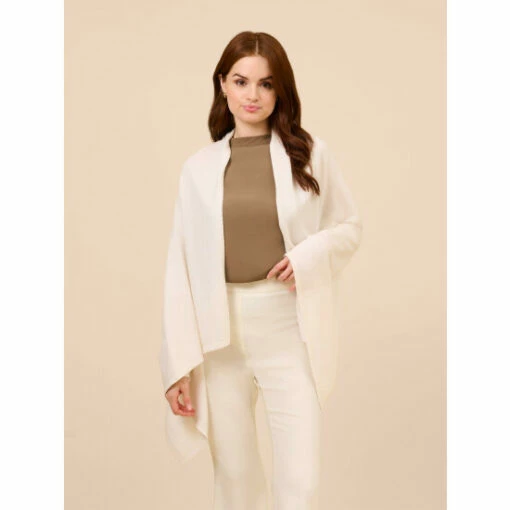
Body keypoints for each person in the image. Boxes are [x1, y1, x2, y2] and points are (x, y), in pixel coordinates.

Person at [159, 31, 363, 510]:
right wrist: (177, 364)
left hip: (287, 327)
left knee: (300, 479)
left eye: (266, 84)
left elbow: (349, 227)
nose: (253, 95)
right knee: (235, 479)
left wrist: (307, 257)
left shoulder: (309, 153)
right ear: (222, 85)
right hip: (219, 336)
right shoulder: (198, 169)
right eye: (241, 81)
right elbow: (180, 267)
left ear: (280, 89)